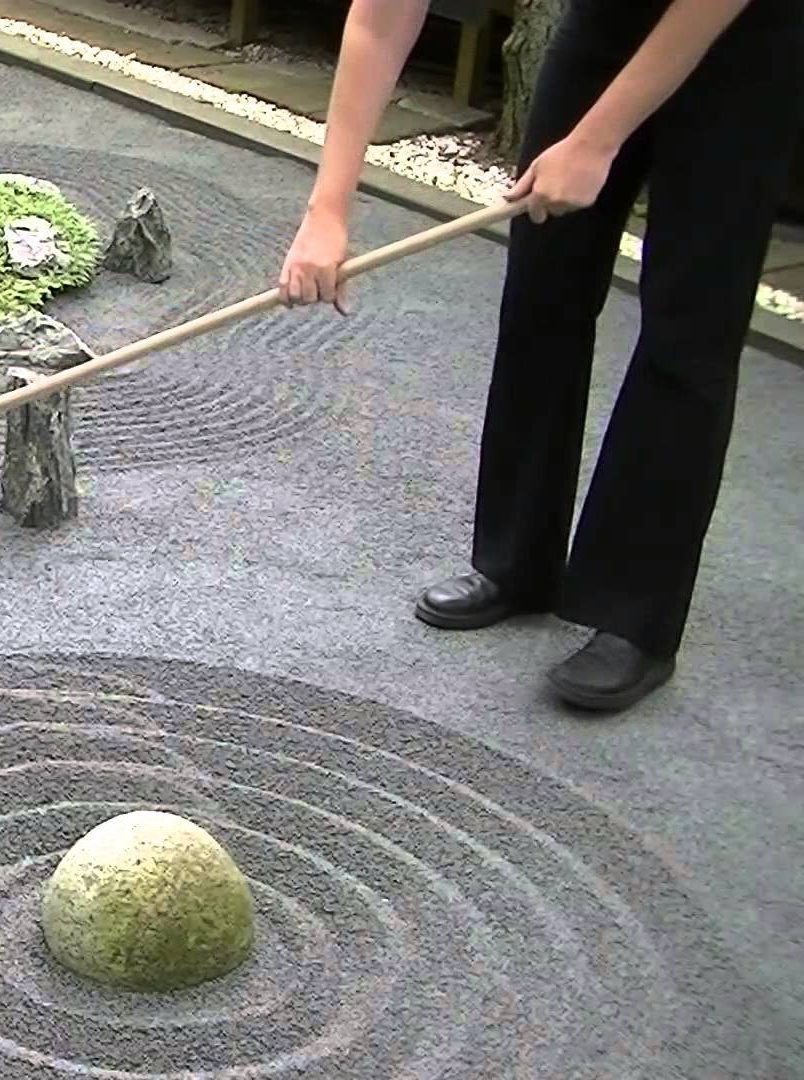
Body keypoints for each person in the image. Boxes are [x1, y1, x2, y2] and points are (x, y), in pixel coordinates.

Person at [280, 0, 802, 712]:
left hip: (743, 39)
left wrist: (596, 140)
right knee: (543, 286)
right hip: (607, 20)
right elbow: (380, 17)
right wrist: (328, 210)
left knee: (689, 325)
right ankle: (518, 563)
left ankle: (635, 615)